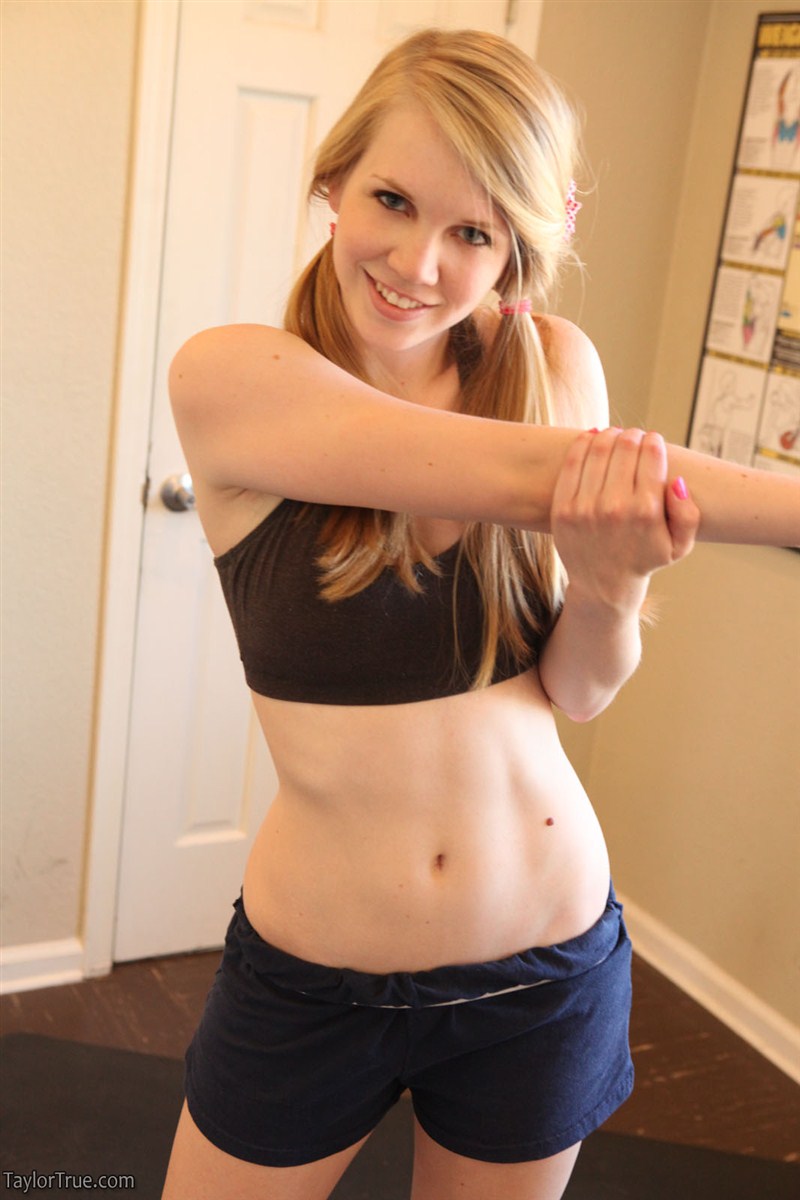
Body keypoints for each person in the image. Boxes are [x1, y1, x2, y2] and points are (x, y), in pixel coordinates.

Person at [161, 29, 799, 1200]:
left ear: (518, 243)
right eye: (391, 200)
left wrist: (610, 584)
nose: (417, 262)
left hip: (543, 969)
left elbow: (577, 692)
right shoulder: (230, 377)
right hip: (312, 979)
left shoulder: (556, 366)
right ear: (334, 181)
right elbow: (518, 475)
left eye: (472, 232)